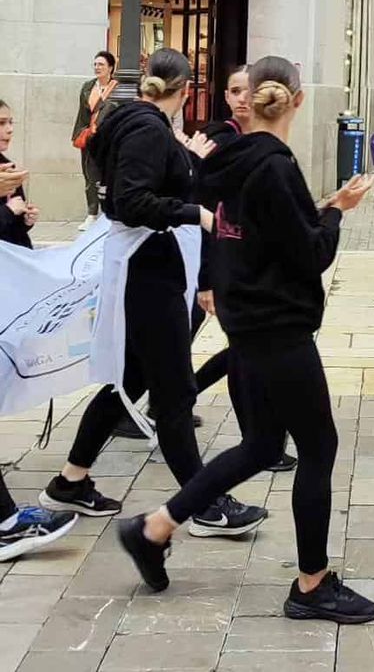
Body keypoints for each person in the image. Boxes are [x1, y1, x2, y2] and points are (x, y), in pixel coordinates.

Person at [117, 56, 374, 625]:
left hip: (245, 322)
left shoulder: (226, 163)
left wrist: (321, 211)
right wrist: (337, 213)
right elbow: (310, 254)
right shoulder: (274, 166)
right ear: (298, 101)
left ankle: (154, 528)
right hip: (277, 328)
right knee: (319, 448)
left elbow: (263, 235)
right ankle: (312, 584)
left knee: (262, 445)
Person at [40, 48, 262, 538]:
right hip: (149, 274)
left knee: (130, 379)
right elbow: (132, 200)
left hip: (149, 269)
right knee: (175, 392)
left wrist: (188, 161)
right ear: (186, 90)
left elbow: (145, 185)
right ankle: (203, 505)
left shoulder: (138, 124)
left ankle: (70, 481)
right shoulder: (146, 128)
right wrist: (195, 213)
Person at [71, 50, 120, 225]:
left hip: (108, 138)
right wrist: (80, 134)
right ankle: (91, 213)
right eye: (95, 64)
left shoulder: (118, 89)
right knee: (90, 175)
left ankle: (109, 212)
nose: (97, 67)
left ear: (110, 68)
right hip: (89, 137)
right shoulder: (88, 87)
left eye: (101, 65)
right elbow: (82, 114)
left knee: (108, 174)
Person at [0, 100, 37, 248]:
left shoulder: (8, 167)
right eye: (1, 123)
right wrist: (8, 211)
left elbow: (13, 229)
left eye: (10, 122)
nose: (10, 130)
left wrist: (26, 221)